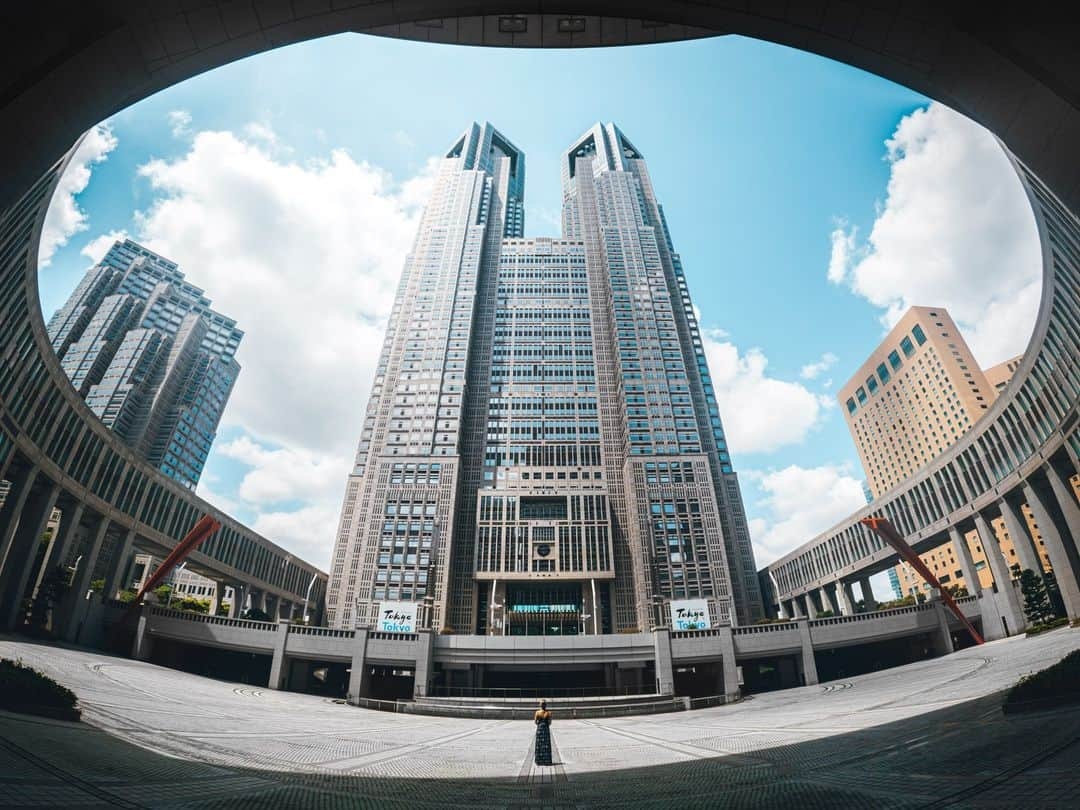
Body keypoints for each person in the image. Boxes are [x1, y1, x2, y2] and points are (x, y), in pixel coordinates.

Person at [533, 699, 553, 766]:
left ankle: (539, 761)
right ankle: (547, 760)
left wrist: (540, 723)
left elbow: (535, 722)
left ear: (540, 705)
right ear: (545, 705)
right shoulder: (549, 713)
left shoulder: (537, 712)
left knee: (539, 744)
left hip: (540, 729)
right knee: (546, 744)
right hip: (546, 729)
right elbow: (550, 722)